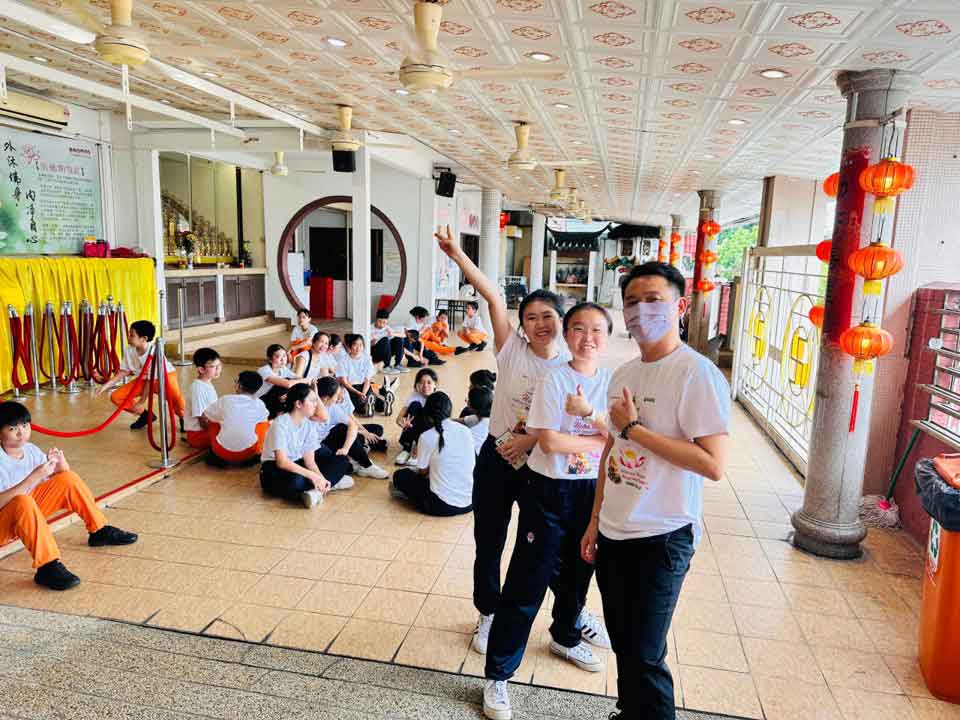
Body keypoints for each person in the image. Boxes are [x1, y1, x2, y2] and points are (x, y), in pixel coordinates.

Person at [580, 262, 730, 720]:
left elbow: (713, 464)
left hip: (662, 535)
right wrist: (594, 522)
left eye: (653, 300)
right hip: (615, 531)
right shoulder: (624, 372)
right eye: (632, 301)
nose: (640, 310)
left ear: (680, 306)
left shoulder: (696, 374)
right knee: (625, 642)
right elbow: (611, 450)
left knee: (646, 654)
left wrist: (636, 430)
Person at [435, 225, 578, 660]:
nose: (540, 324)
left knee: (542, 549)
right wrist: (457, 255)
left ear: (562, 321)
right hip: (497, 459)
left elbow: (575, 426)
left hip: (540, 467)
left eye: (548, 316)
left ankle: (567, 619)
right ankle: (488, 611)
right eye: (531, 317)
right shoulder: (511, 350)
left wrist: (530, 439)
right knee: (490, 541)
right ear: (522, 325)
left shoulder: (572, 366)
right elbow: (494, 296)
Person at [483, 302, 614, 719]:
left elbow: (626, 436)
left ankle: (566, 636)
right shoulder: (554, 379)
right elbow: (551, 441)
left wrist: (593, 418)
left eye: (597, 330)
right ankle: (498, 674)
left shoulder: (613, 382)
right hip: (549, 490)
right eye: (579, 328)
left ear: (608, 337)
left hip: (591, 491)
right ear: (566, 333)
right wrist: (603, 438)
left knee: (578, 573)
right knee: (528, 580)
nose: (587, 337)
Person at [0, 401, 138, 590]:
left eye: (24, 426)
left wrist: (61, 465)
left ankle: (99, 530)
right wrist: (33, 478)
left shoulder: (30, 450)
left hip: (25, 514)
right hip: (5, 520)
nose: (21, 432)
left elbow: (62, 483)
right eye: (12, 428)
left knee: (68, 478)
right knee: (22, 501)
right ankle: (47, 566)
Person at [259, 384, 348, 507]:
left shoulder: (308, 423)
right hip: (273, 469)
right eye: (312, 401)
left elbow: (309, 462)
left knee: (342, 461)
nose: (315, 405)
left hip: (296, 463)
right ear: (299, 404)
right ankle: (329, 484)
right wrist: (313, 476)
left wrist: (320, 477)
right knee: (296, 480)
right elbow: (281, 462)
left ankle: (317, 490)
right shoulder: (280, 423)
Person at [390, 392, 473, 517]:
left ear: (427, 413)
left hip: (441, 506)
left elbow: (423, 472)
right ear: (450, 410)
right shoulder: (466, 431)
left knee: (400, 475)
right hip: (469, 503)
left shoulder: (427, 436)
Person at [98, 320, 186, 429]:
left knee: (177, 401)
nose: (128, 338)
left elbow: (151, 380)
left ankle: (184, 419)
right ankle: (146, 416)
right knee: (117, 396)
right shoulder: (129, 350)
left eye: (132, 335)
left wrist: (141, 401)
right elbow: (124, 372)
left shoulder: (154, 352)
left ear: (143, 338)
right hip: (144, 379)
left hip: (165, 377)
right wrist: (105, 386)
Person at [311, 377, 390, 479]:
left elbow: (352, 424)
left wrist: (346, 448)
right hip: (316, 448)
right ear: (326, 398)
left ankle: (366, 464)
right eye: (336, 395)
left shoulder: (332, 406)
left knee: (346, 430)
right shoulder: (309, 409)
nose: (338, 398)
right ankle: (358, 457)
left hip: (329, 440)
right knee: (342, 459)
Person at [202, 371, 270, 466]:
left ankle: (216, 452)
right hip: (249, 452)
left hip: (221, 451)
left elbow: (205, 415)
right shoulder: (259, 404)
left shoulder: (225, 400)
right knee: (263, 423)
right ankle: (257, 451)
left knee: (213, 420)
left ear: (239, 386)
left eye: (236, 381)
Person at [337, 334, 397, 416]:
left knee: (367, 399)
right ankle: (372, 406)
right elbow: (345, 382)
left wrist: (363, 393)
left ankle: (378, 406)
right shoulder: (343, 361)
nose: (358, 348)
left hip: (364, 386)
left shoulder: (367, 359)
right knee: (361, 402)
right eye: (355, 345)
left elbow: (367, 380)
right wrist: (359, 393)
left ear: (363, 346)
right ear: (350, 346)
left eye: (360, 345)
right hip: (351, 388)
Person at [394, 368, 437, 466]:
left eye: (429, 382)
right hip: (414, 432)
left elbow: (441, 423)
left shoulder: (439, 397)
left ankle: (420, 449)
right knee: (415, 405)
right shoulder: (414, 395)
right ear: (417, 385)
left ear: (435, 384)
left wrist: (421, 445)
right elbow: (399, 418)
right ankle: (407, 449)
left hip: (430, 435)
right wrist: (403, 423)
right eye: (421, 382)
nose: (425, 386)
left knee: (427, 413)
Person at [256, 344, 309, 419]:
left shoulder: (283, 368)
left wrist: (306, 380)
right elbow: (287, 384)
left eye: (284, 356)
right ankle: (278, 416)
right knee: (284, 385)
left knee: (294, 386)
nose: (283, 359)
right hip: (259, 401)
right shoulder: (264, 370)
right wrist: (305, 380)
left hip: (272, 400)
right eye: (278, 356)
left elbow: (297, 378)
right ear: (270, 359)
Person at [184, 347, 222, 449]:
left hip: (208, 429)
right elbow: (202, 420)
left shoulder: (207, 383)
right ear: (201, 369)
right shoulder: (198, 388)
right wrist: (217, 431)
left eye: (219, 365)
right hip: (198, 435)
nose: (218, 369)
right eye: (213, 366)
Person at [458, 384, 493, 456]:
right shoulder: (481, 418)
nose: (466, 400)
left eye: (468, 399)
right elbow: (460, 420)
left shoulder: (475, 431)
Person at [371, 309, 406, 374]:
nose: (381, 324)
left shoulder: (387, 327)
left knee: (399, 339)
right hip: (376, 353)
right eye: (379, 321)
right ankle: (386, 366)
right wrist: (374, 341)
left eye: (384, 322)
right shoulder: (370, 328)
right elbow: (369, 346)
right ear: (376, 319)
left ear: (387, 321)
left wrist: (393, 334)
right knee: (385, 339)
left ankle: (397, 364)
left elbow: (404, 335)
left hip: (386, 352)